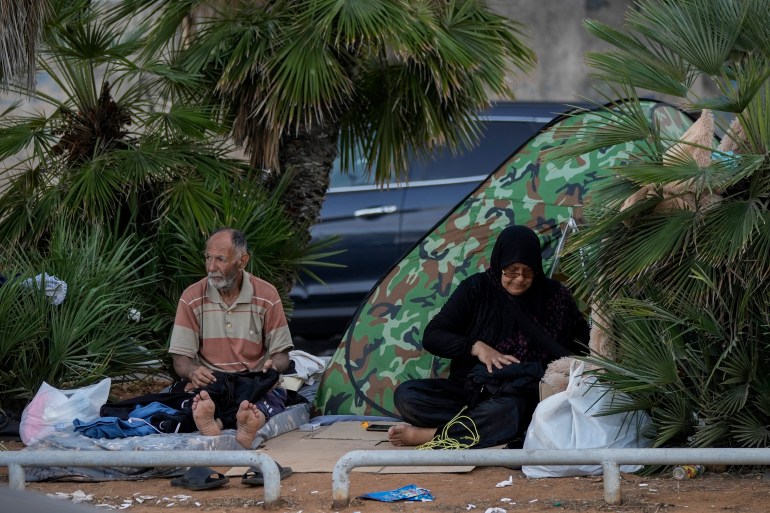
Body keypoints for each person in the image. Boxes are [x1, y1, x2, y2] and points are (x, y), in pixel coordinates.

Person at [388, 225, 589, 449]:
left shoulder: (556, 297)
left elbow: (582, 345)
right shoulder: (476, 289)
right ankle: (483, 425)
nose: (520, 279)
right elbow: (433, 336)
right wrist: (476, 347)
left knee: (512, 409)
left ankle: (431, 435)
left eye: (528, 271)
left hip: (522, 395)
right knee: (408, 396)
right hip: (472, 390)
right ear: (499, 263)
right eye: (511, 271)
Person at [168, 228, 294, 449]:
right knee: (195, 401)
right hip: (213, 384)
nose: (211, 267)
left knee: (269, 399)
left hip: (253, 382)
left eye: (220, 259)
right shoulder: (191, 298)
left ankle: (247, 422)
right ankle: (215, 421)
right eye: (208, 257)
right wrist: (192, 372)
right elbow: (181, 360)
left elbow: (282, 355)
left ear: (242, 261)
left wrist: (272, 365)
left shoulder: (267, 295)